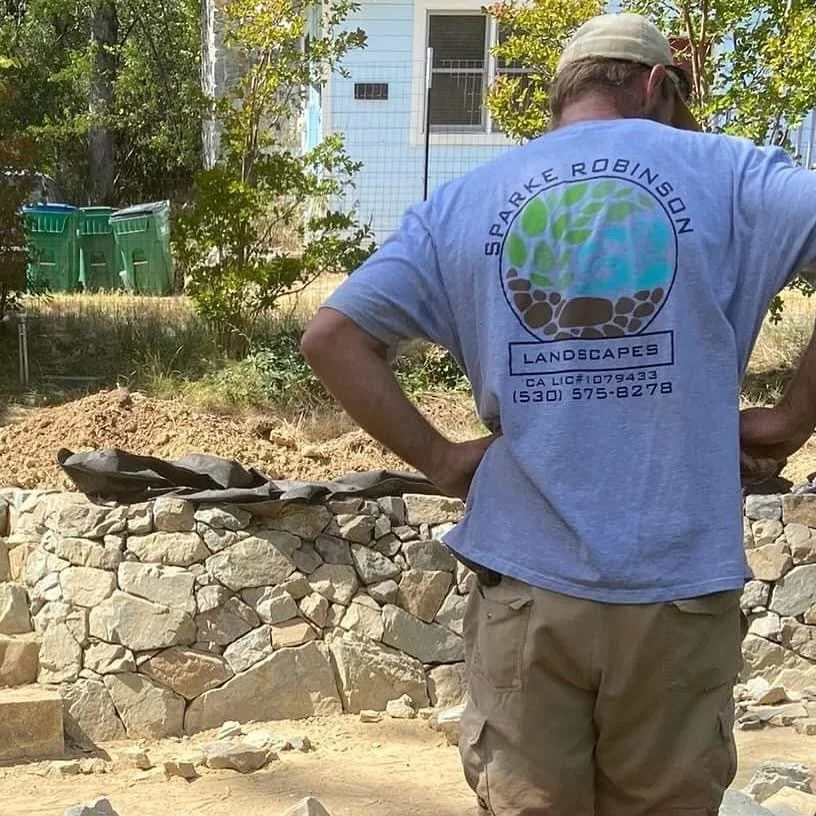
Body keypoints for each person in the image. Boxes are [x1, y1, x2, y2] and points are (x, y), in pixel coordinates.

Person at [301, 12, 816, 815]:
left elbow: (332, 337)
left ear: (562, 96)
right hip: (675, 590)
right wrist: (791, 418)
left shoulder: (464, 202)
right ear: (656, 85)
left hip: (528, 586)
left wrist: (442, 459)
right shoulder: (733, 174)